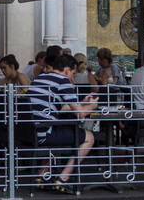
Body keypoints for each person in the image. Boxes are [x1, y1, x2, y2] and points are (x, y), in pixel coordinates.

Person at [28, 51, 97, 190]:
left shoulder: (40, 79)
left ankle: (42, 175)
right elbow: (81, 114)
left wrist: (82, 102)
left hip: (32, 131)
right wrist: (92, 106)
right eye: (73, 73)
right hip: (46, 133)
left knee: (59, 130)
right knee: (89, 137)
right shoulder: (62, 80)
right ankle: (63, 179)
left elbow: (56, 108)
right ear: (66, 70)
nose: (73, 77)